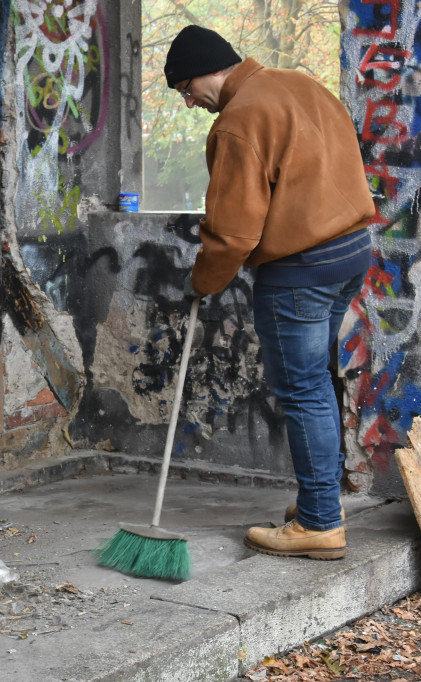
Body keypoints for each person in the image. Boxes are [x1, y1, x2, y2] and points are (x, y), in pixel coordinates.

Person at [163, 25, 375, 560]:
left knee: (303, 391)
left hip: (299, 269)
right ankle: (319, 502)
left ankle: (321, 523)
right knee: (317, 386)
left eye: (186, 89)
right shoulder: (300, 84)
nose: (190, 104)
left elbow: (234, 231)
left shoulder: (239, 120)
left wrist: (202, 280)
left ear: (209, 69)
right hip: (350, 253)